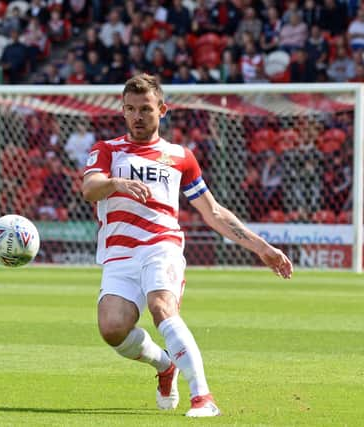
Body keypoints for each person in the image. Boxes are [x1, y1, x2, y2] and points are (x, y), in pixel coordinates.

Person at [81, 74, 293, 417]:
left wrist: (261, 248)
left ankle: (203, 397)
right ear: (122, 111)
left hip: (161, 245)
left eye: (146, 109)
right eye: (130, 109)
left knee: (161, 307)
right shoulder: (106, 150)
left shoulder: (180, 156)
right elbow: (90, 189)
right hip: (119, 253)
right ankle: (166, 366)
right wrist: (116, 184)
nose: (137, 116)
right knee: (112, 329)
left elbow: (213, 212)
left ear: (162, 110)